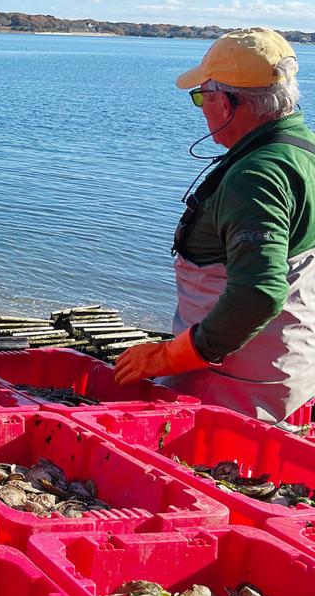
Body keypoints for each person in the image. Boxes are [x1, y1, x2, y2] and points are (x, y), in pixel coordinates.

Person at [114, 27, 315, 423]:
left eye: (201, 97)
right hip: (290, 367)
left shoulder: (258, 176)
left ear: (224, 104)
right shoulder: (303, 150)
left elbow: (258, 293)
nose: (202, 109)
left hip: (231, 385)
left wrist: (164, 357)